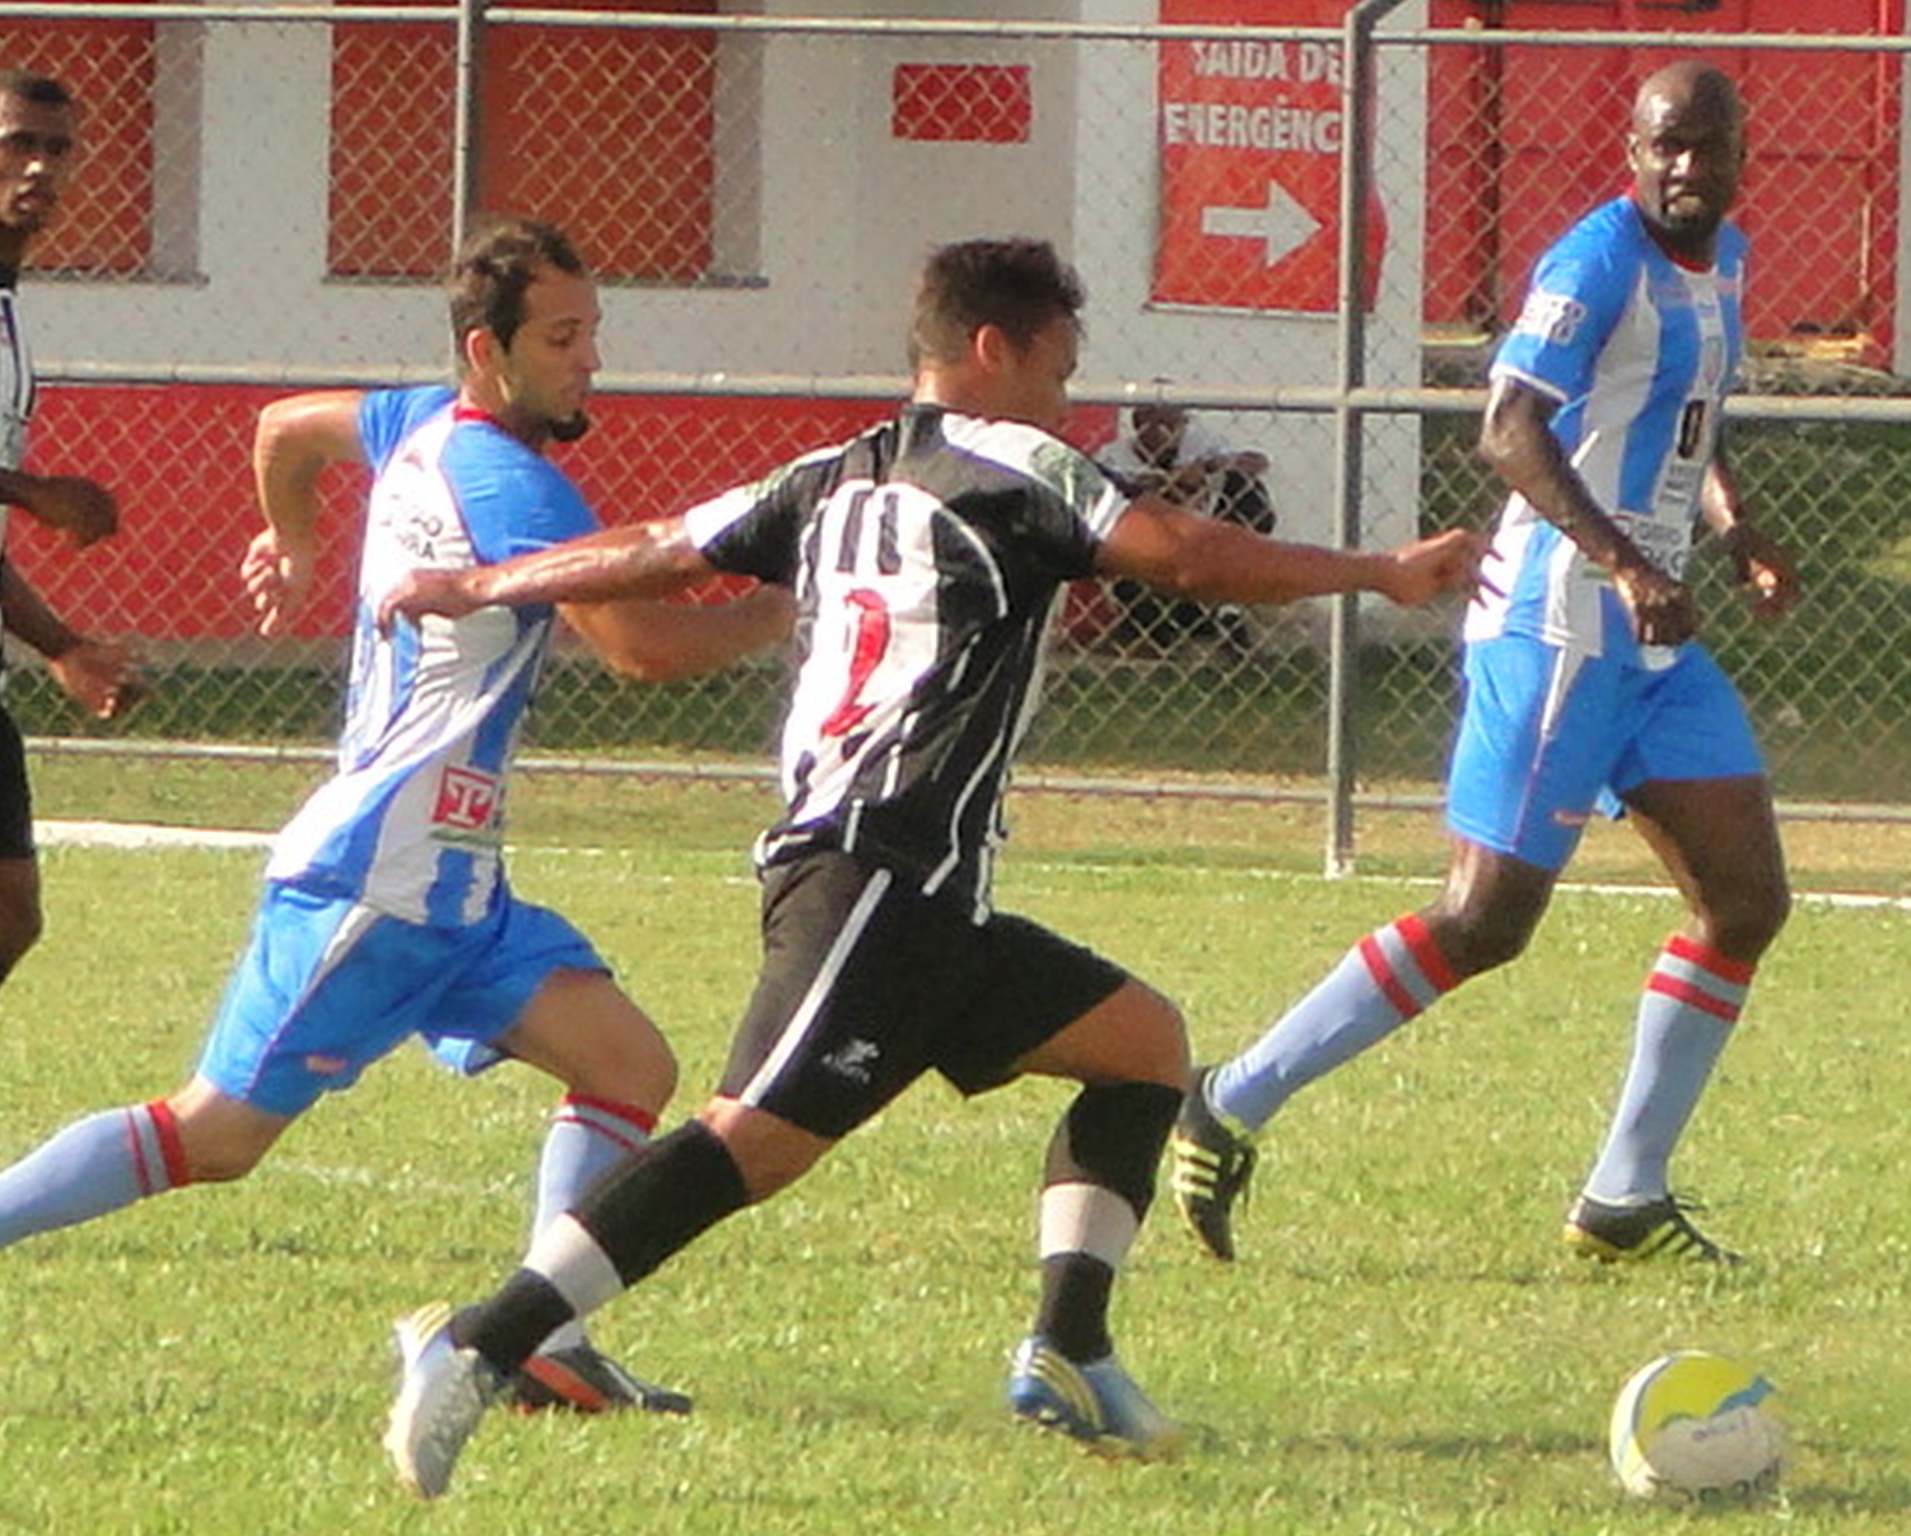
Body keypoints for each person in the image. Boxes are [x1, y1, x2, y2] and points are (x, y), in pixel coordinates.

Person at [371, 235, 1485, 1498]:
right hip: (872, 868)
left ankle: (1069, 1352)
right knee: (754, 1144)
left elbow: (657, 547)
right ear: (991, 350)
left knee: (1143, 1048)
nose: (1070, 398)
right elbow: (1179, 552)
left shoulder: (827, 473)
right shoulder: (1018, 463)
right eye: (1059, 365)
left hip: (927, 891)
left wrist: (476, 579)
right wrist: (1375, 573)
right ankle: (480, 1342)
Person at [0, 217, 794, 1414]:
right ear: (489, 349)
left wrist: (295, 536)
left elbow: (282, 430)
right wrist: (789, 607)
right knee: (211, 1138)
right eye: (563, 338)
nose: (590, 362)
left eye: (594, 334)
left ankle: (542, 1342)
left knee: (628, 1065)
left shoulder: (415, 419)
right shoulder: (505, 479)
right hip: (378, 880)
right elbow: (641, 650)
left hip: (457, 888)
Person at [1170, 61, 1799, 1268]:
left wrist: (1731, 526)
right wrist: (1623, 562)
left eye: (1705, 147)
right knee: (1482, 922)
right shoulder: (1594, 261)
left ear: (1734, 155)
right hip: (1556, 628)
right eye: (1663, 147)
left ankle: (1622, 1195)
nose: (1684, 168)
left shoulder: (1723, 259)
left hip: (1650, 645)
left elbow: (1682, 420)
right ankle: (1228, 1099)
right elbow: (1506, 427)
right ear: (1630, 151)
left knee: (1744, 903)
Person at [0, 67, 143, 991]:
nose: (40, 167)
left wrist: (60, 647)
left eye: (58, 149)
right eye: (18, 142)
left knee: (13, 914)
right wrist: (34, 492)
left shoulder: (11, 318)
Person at [1096, 401, 1275, 651]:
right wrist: (1165, 484)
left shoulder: (1197, 445)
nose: (1160, 432)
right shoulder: (1113, 455)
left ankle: (1224, 606)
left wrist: (1207, 467)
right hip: (1148, 550)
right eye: (1151, 422)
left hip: (1202, 542)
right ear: (1138, 424)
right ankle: (1166, 631)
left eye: (1169, 424)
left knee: (1246, 489)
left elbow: (1257, 462)